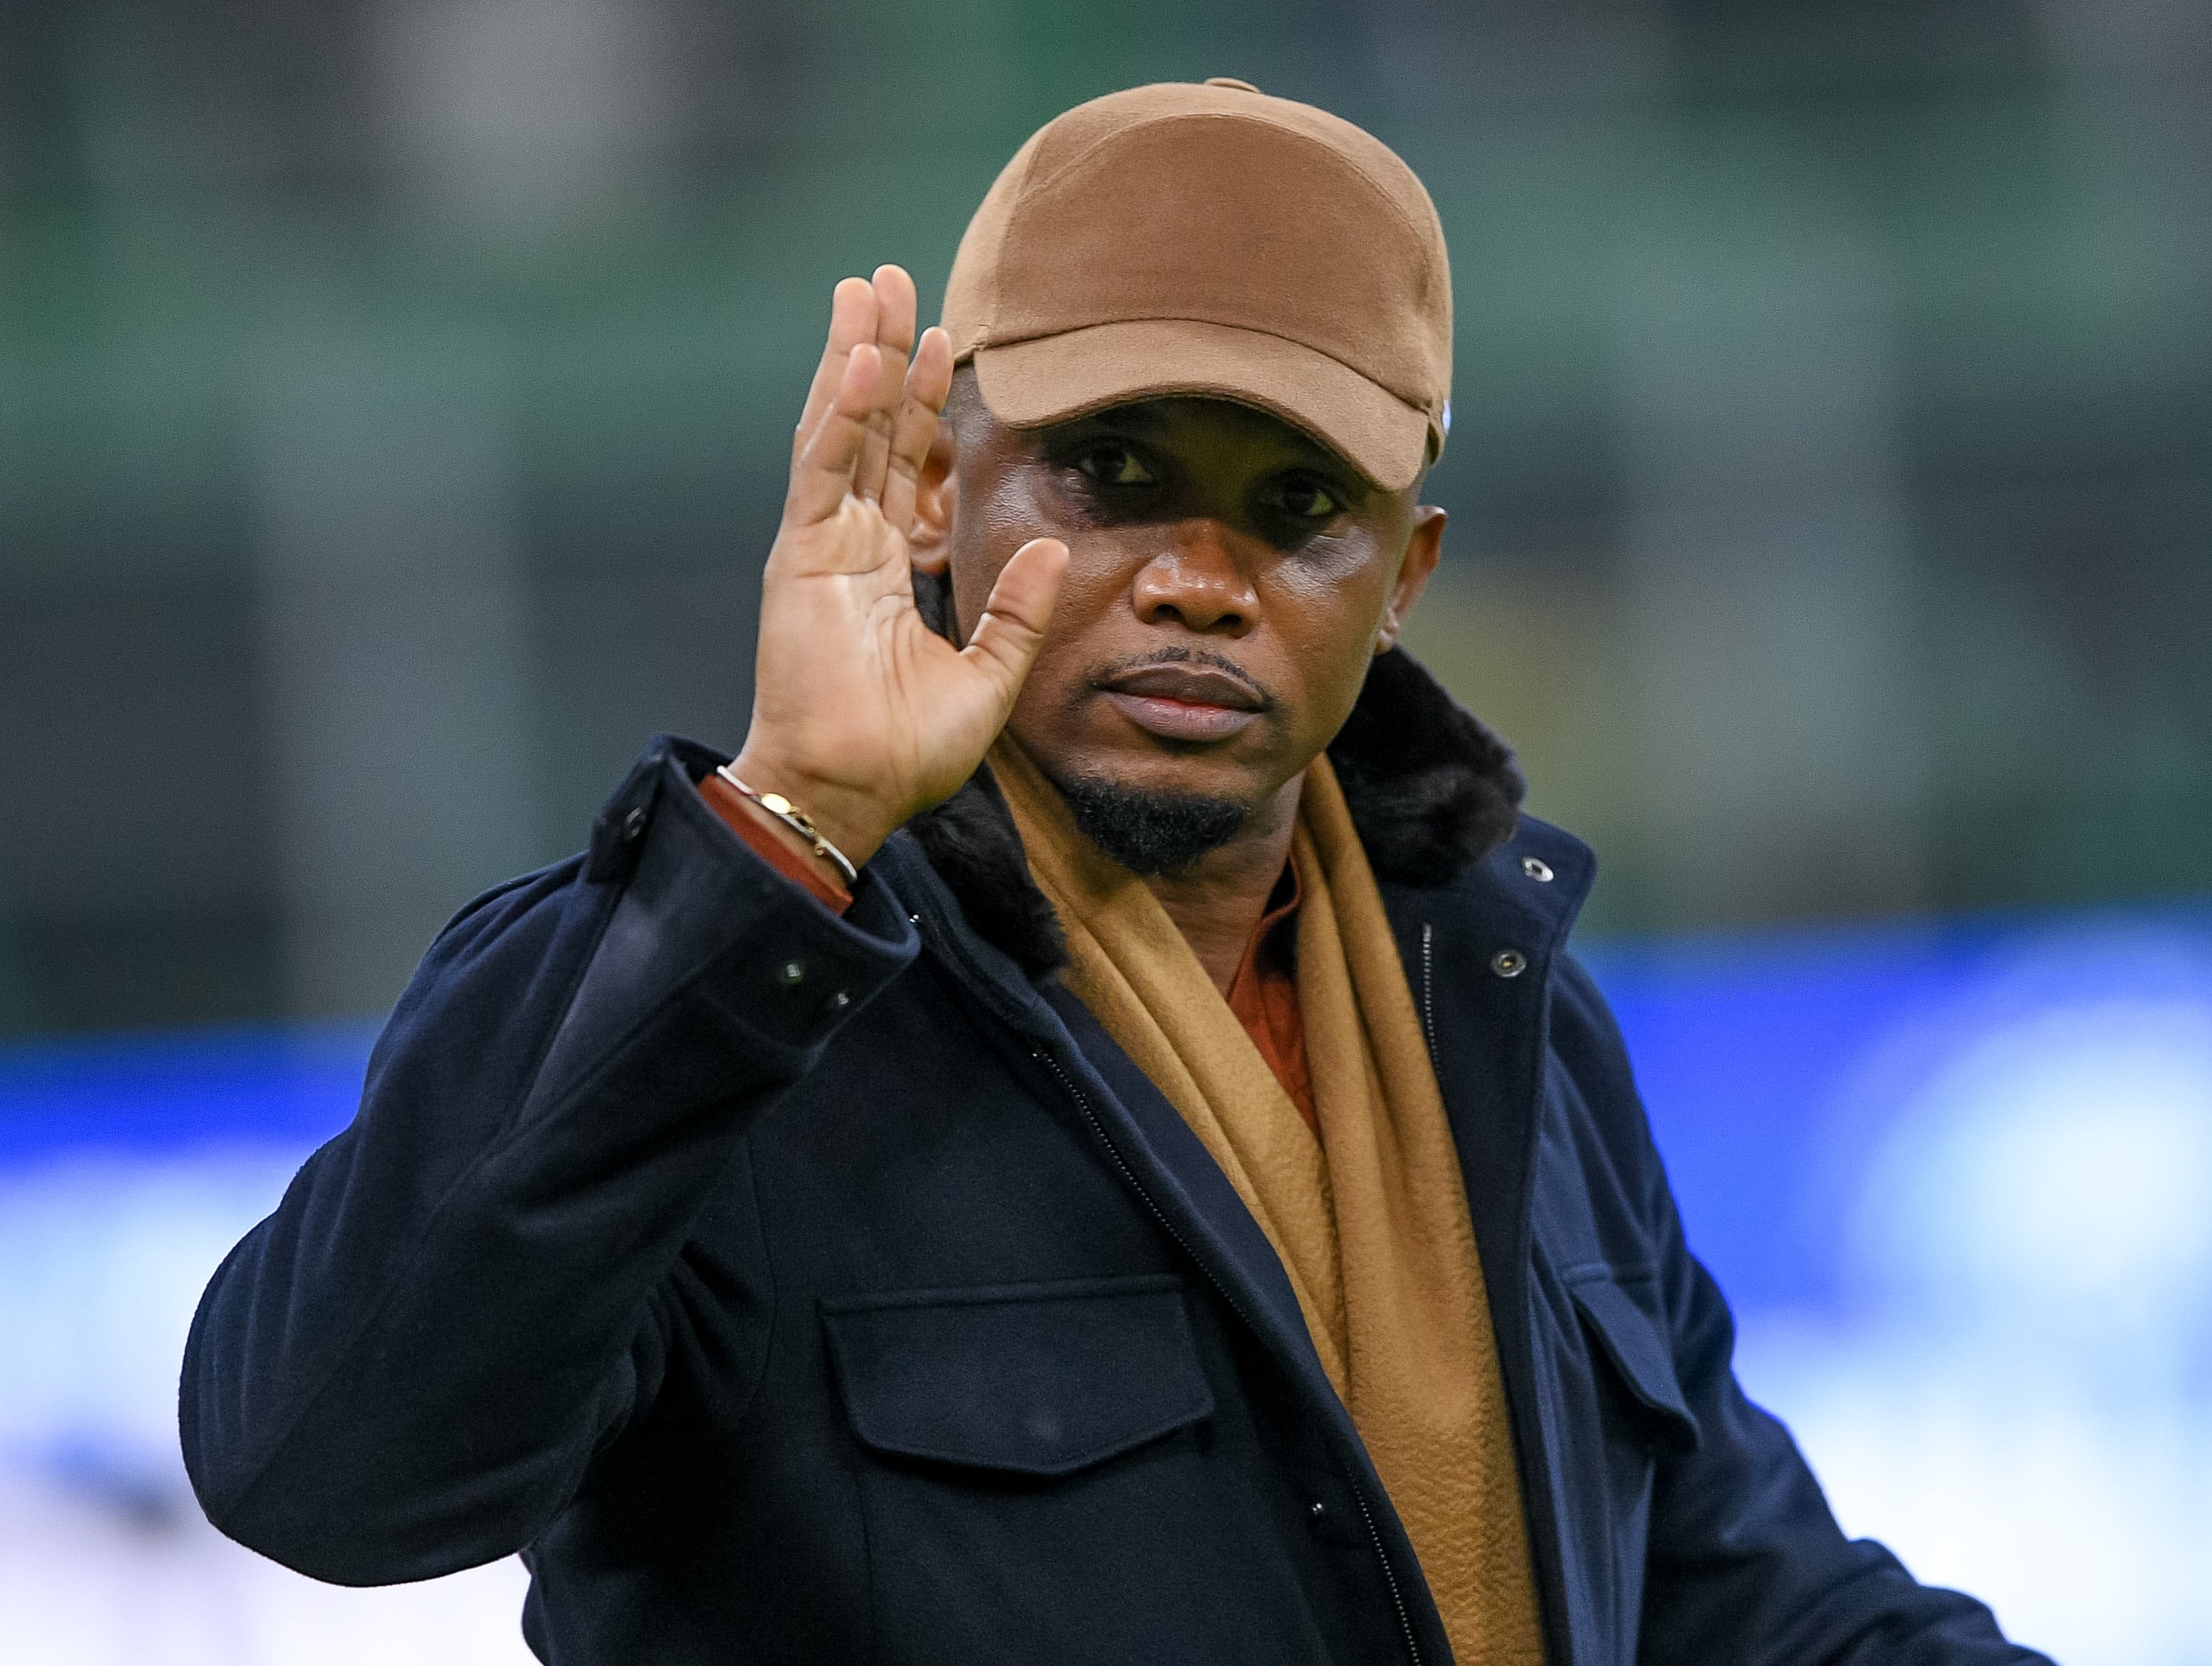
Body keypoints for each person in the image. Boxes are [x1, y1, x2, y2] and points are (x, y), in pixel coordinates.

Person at [181, 80, 2049, 1666]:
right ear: (932, 487)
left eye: (1299, 503)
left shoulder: (1502, 1002)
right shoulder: (714, 987)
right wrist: (781, 831)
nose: (1199, 575)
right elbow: (322, 1469)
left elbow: (1739, 1595)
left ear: (1405, 578)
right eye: (1115, 468)